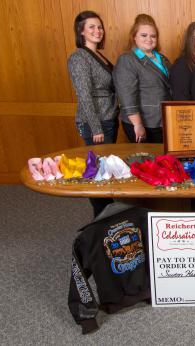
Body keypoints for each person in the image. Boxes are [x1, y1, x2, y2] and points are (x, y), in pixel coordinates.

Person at [68, 10, 118, 217]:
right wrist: (95, 127)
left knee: (105, 171)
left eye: (100, 27)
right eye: (92, 27)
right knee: (99, 173)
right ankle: (101, 218)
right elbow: (85, 95)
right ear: (81, 32)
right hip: (95, 124)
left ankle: (107, 215)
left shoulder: (97, 55)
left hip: (108, 118)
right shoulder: (79, 57)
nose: (98, 31)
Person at [114, 14, 172, 143]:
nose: (149, 39)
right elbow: (127, 97)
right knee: (147, 162)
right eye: (144, 35)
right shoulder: (127, 60)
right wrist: (138, 124)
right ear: (134, 37)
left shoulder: (163, 59)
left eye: (153, 36)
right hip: (143, 123)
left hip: (164, 121)